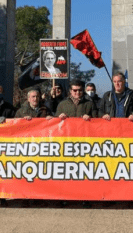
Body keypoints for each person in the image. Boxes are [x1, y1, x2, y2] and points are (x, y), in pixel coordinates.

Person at [52, 80, 96, 208]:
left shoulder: (89, 103)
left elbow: (97, 121)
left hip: (84, 144)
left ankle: (84, 198)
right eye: (75, 90)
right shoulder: (62, 104)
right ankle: (64, 197)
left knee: (83, 171)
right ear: (70, 91)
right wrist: (58, 117)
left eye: (80, 90)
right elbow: (54, 123)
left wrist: (90, 119)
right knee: (66, 171)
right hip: (67, 143)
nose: (77, 93)